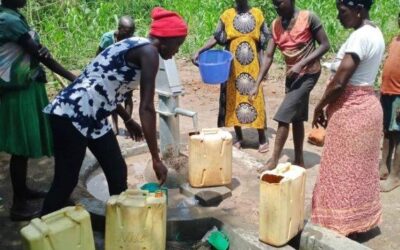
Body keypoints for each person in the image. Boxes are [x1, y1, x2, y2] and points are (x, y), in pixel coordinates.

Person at [41, 7, 187, 215]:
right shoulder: (150, 53)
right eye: (178, 44)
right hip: (71, 114)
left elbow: (106, 85)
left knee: (117, 170)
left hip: (94, 116)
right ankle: (42, 226)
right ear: (165, 39)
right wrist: (156, 158)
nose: (178, 50)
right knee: (66, 181)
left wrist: (127, 118)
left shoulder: (135, 44)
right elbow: (146, 108)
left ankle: (121, 224)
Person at [311, 0, 384, 236]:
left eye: (342, 12)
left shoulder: (360, 37)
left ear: (358, 10)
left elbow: (341, 82)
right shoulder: (376, 32)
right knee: (359, 171)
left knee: (339, 172)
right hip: (368, 108)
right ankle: (358, 222)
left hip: (352, 112)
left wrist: (319, 106)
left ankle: (339, 228)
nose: (338, 16)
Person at [0, 0, 76, 220]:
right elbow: (40, 54)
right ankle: (18, 205)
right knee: (20, 147)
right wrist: (72, 77)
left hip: (27, 86)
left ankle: (23, 191)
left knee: (22, 147)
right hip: (19, 91)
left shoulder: (11, 14)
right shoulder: (7, 20)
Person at [255, 0, 330, 170]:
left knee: (284, 115)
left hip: (309, 73)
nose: (276, 7)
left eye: (279, 3)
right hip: (292, 76)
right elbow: (268, 56)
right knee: (296, 118)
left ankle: (273, 160)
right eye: (274, 4)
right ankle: (299, 159)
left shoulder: (308, 18)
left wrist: (301, 64)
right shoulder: (275, 25)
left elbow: (325, 45)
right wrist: (257, 82)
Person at [192, 0, 270, 153]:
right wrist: (199, 51)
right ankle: (240, 137)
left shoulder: (258, 14)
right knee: (233, 98)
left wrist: (264, 68)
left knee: (256, 98)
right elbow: (216, 37)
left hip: (253, 65)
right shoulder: (227, 15)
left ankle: (262, 138)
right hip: (232, 66)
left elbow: (263, 43)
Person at [96, 16, 136, 136]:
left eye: (131, 34)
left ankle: (128, 123)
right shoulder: (107, 38)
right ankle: (115, 125)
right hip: (110, 70)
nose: (128, 37)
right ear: (118, 29)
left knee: (128, 96)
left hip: (126, 69)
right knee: (113, 98)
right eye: (126, 34)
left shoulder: (133, 39)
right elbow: (98, 55)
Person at [379, 13, 400, 192]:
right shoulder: (395, 40)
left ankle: (395, 175)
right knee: (387, 131)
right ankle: (384, 166)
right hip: (387, 93)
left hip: (399, 96)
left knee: (398, 135)